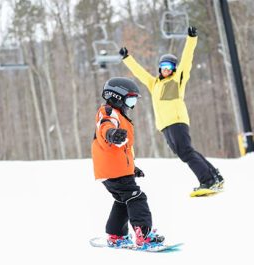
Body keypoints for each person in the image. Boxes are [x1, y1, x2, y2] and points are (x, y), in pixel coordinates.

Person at [119, 27, 224, 196]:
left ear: (174, 68)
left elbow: (187, 59)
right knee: (186, 152)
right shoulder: (155, 84)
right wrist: (127, 58)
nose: (165, 69)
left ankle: (208, 180)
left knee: (186, 152)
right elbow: (140, 73)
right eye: (163, 67)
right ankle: (215, 176)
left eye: (169, 67)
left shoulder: (178, 79)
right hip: (165, 126)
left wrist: (191, 39)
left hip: (177, 121)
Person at [91, 77, 165, 247]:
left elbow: (123, 150)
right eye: (130, 99)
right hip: (112, 170)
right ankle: (144, 235)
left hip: (112, 170)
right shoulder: (108, 112)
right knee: (136, 197)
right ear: (117, 97)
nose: (132, 104)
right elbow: (105, 126)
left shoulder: (119, 114)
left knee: (123, 200)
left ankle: (116, 234)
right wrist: (111, 134)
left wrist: (132, 168)